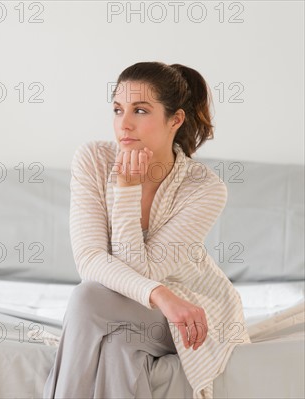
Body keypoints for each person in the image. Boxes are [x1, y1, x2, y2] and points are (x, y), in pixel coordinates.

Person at [42, 62, 251, 399]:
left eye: (140, 110)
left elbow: (142, 270)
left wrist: (126, 191)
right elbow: (90, 261)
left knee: (86, 299)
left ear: (176, 119)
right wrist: (161, 295)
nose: (124, 124)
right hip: (158, 302)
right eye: (117, 109)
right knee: (116, 347)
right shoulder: (93, 160)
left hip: (191, 311)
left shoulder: (204, 188)